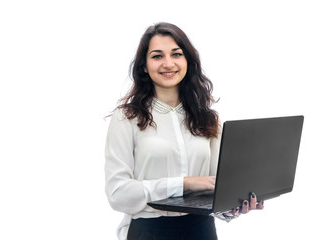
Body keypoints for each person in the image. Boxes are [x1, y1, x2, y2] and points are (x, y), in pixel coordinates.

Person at [105, 22, 263, 240]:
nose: (168, 64)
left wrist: (232, 207)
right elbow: (117, 194)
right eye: (157, 56)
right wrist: (183, 183)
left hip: (202, 231)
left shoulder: (209, 119)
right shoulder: (126, 118)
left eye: (176, 54)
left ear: (187, 60)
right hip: (150, 232)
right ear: (144, 65)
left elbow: (215, 188)